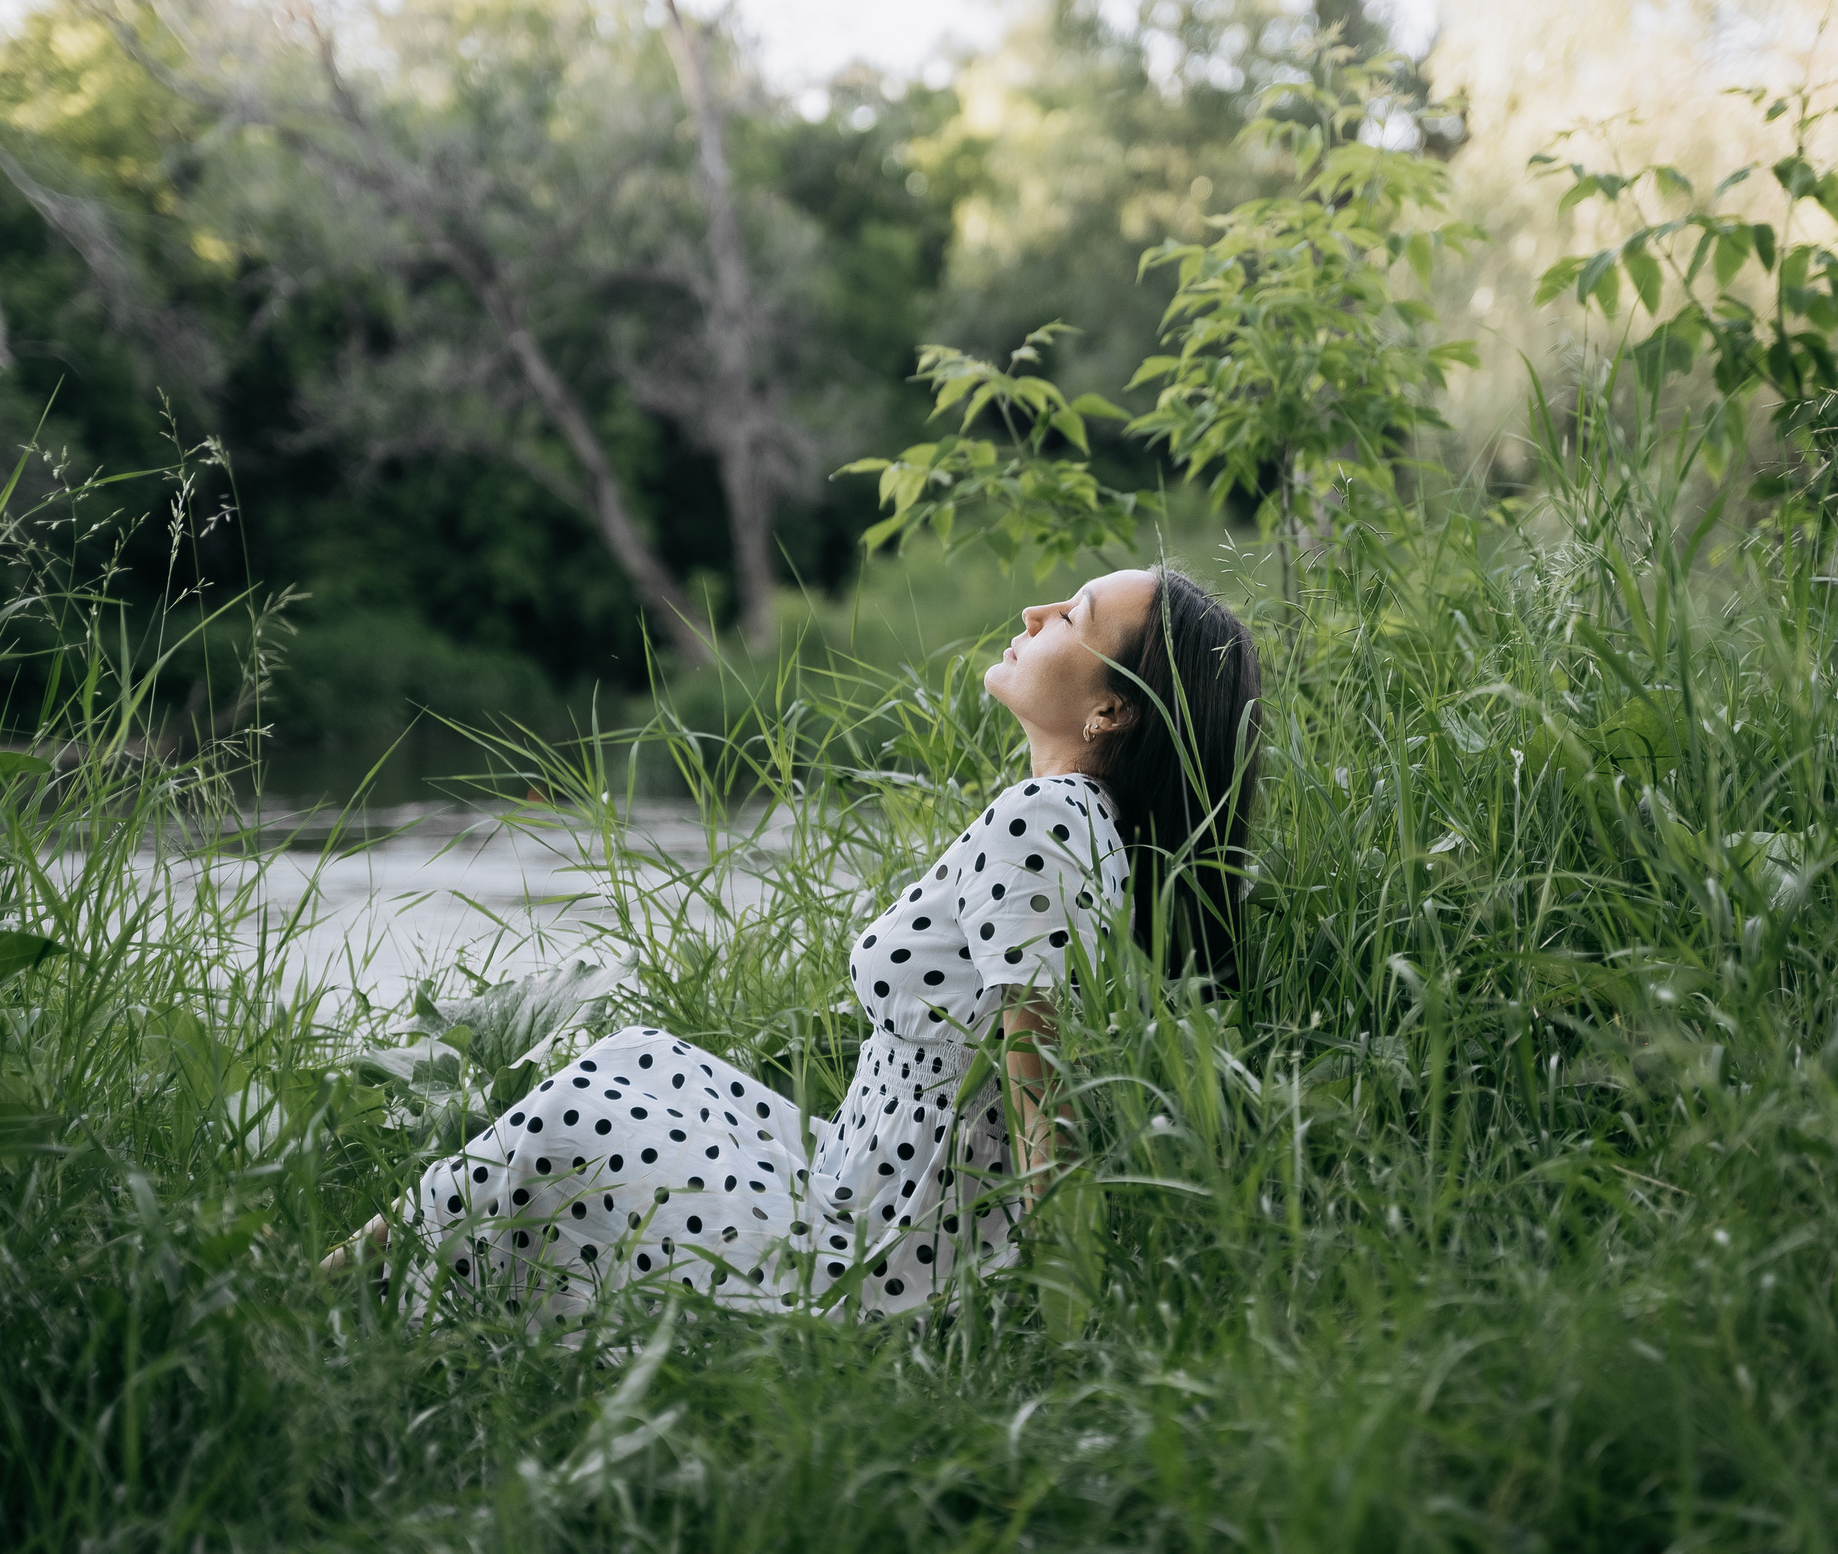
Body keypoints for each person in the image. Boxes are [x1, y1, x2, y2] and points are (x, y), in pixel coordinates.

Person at [325, 566, 1261, 1323]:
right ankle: (378, 1280)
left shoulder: (1046, 819)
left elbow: (1037, 1074)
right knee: (638, 1057)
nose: (1035, 608)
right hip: (857, 1172)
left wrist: (1064, 1320)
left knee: (580, 1118)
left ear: (1111, 713)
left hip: (867, 1250)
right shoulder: (1082, 820)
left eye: (1075, 614)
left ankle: (342, 1294)